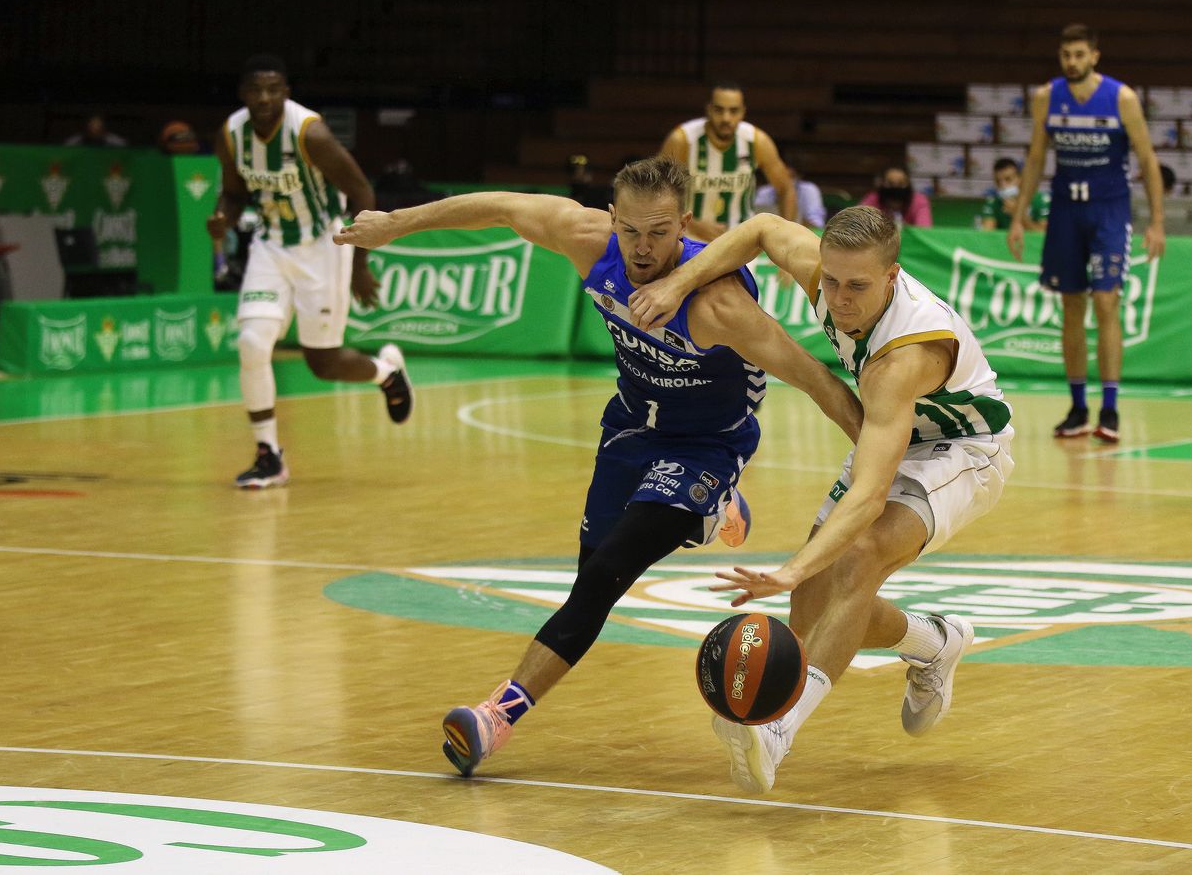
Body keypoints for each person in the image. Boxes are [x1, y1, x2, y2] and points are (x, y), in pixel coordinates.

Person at [333, 157, 864, 779]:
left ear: (684, 225)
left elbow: (815, 379)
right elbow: (502, 203)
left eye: (660, 233)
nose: (643, 249)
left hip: (706, 446)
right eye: (631, 231)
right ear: (612, 219)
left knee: (608, 573)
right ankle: (711, 512)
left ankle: (495, 718)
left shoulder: (718, 306)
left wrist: (887, 446)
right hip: (633, 428)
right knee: (591, 572)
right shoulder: (591, 244)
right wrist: (396, 224)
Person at [629, 207, 1013, 794]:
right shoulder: (829, 275)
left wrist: (792, 568)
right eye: (831, 281)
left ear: (892, 277)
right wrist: (678, 282)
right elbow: (759, 227)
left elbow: (869, 497)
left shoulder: (902, 355)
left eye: (857, 286)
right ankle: (933, 642)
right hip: (890, 432)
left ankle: (780, 729)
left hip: (963, 448)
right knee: (812, 609)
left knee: (857, 559)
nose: (839, 298)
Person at [210, 53, 413, 489]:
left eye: (273, 89)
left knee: (323, 364)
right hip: (270, 245)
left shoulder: (310, 133)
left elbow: (361, 190)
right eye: (256, 90)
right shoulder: (231, 134)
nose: (264, 98)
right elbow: (233, 193)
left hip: (324, 245)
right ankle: (268, 455)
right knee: (250, 342)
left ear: (286, 92)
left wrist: (361, 262)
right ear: (244, 94)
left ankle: (386, 373)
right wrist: (222, 216)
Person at [1008, 23, 1166, 445]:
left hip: (1109, 210)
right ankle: (1078, 406)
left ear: (1095, 55)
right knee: (1071, 307)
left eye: (1080, 54)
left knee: (1106, 301)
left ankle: (1110, 408)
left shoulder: (1121, 98)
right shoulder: (1047, 97)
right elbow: (1037, 157)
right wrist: (1018, 216)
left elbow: (1148, 161)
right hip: (1065, 211)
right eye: (1066, 55)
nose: (1072, 62)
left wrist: (1157, 222)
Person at [660, 81, 799, 241]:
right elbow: (657, 193)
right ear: (709, 109)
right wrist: (692, 224)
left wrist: (787, 238)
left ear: (743, 112)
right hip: (689, 236)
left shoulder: (756, 141)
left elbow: (786, 188)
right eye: (719, 110)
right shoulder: (682, 140)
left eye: (733, 111)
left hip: (742, 240)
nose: (726, 118)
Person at [976, 157, 1048, 231]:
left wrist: (1018, 214)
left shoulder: (1040, 200)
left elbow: (1043, 234)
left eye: (1008, 179)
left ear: (1020, 179)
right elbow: (987, 233)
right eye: (998, 181)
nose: (1003, 185)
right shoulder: (993, 202)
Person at [859, 166, 933, 227]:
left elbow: (923, 228)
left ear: (908, 184)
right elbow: (857, 223)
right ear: (882, 183)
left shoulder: (919, 201)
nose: (895, 187)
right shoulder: (872, 199)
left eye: (901, 183)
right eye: (890, 183)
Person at [754, 166, 826, 227]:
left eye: (791, 176)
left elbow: (817, 224)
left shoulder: (810, 189)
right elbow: (755, 216)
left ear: (799, 175)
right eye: (782, 176)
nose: (787, 180)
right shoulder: (764, 191)